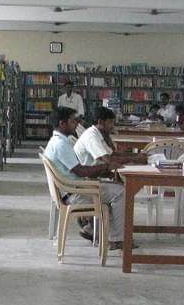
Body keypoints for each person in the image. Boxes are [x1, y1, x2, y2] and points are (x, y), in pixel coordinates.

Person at [44, 106, 125, 250]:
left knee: (113, 187)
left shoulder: (59, 141)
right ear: (62, 123)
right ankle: (117, 239)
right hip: (74, 193)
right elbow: (81, 171)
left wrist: (104, 171)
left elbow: (82, 171)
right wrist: (106, 167)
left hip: (72, 189)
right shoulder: (61, 144)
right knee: (121, 191)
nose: (77, 123)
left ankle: (94, 229)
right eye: (73, 121)